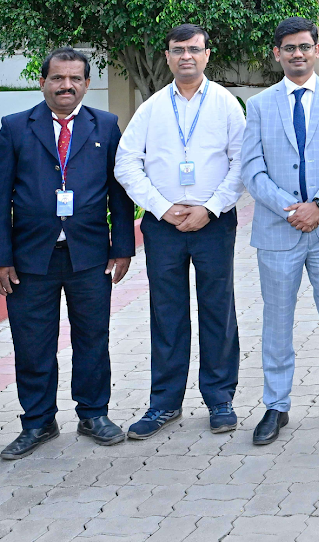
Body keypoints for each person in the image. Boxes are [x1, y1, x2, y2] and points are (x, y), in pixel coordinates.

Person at [0, 48, 135, 459]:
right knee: (32, 342)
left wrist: (122, 247)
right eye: (57, 78)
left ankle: (93, 414)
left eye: (74, 79)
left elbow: (120, 193)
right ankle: (38, 421)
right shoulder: (15, 127)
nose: (66, 86)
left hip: (89, 255)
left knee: (93, 337)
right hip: (30, 258)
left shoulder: (106, 125)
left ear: (86, 83)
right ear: (42, 82)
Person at [115, 23, 246, 439]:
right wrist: (161, 207)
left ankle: (220, 399)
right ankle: (164, 403)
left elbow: (242, 162)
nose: (186, 56)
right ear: (168, 57)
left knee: (217, 309)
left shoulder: (226, 104)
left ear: (207, 54)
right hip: (164, 226)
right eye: (178, 50)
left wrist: (210, 208)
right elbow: (126, 163)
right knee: (166, 312)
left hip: (214, 223)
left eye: (193, 49)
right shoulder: (152, 108)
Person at [240, 17, 319, 446]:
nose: (298, 54)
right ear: (277, 53)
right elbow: (251, 168)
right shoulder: (259, 105)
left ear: (317, 49)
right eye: (289, 48)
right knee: (277, 321)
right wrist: (290, 208)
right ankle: (276, 404)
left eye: (305, 46)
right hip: (279, 230)